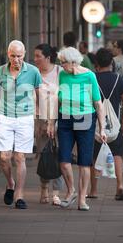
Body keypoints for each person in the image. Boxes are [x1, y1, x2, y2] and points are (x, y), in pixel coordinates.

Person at [47, 46, 107, 211]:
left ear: (73, 62)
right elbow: (57, 100)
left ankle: (82, 199)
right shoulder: (63, 75)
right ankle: (71, 190)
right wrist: (51, 122)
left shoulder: (89, 76)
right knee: (64, 160)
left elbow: (98, 103)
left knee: (84, 162)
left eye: (63, 62)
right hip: (65, 118)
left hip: (86, 118)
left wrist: (102, 128)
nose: (61, 65)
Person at [0, 40, 42, 209]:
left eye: (19, 56)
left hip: (25, 118)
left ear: (24, 55)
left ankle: (19, 194)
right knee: (4, 157)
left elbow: (39, 97)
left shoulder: (33, 71)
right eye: (12, 56)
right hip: (4, 117)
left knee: (20, 157)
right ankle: (10, 183)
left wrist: (40, 120)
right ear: (7, 54)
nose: (16, 59)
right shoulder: (0, 71)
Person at [88, 48, 123, 200]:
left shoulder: (92, 78)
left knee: (94, 157)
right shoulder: (118, 79)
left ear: (97, 63)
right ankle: (119, 185)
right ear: (111, 62)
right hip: (114, 125)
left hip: (96, 125)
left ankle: (93, 190)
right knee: (118, 154)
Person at [34, 43, 64, 206]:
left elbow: (64, 95)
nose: (35, 59)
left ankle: (57, 193)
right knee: (44, 155)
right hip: (39, 118)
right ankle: (44, 189)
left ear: (48, 57)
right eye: (35, 56)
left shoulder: (60, 72)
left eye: (38, 56)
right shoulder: (34, 74)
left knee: (59, 154)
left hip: (59, 118)